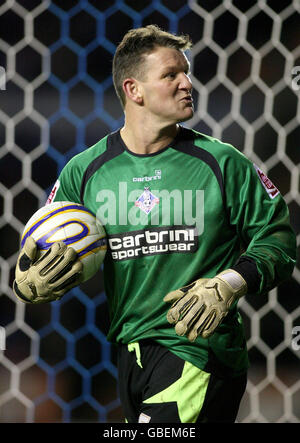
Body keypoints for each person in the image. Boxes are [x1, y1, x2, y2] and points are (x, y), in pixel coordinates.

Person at [13, 25, 296, 423]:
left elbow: (279, 242)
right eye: (171, 75)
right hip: (131, 354)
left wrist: (230, 283)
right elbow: (43, 247)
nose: (186, 83)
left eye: (186, 72)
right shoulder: (85, 170)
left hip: (199, 350)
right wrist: (30, 282)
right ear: (134, 90)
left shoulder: (224, 162)